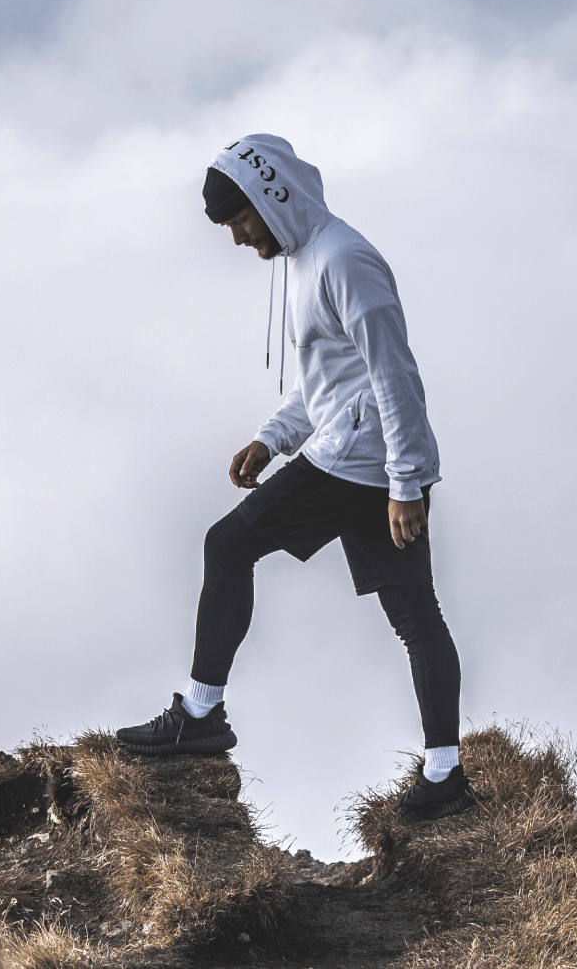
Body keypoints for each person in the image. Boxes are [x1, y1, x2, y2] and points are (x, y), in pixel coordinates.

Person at [116, 134, 473, 820]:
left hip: (361, 464)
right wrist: (271, 438)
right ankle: (444, 776)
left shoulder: (345, 262)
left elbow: (393, 375)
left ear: (269, 199)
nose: (237, 238)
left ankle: (201, 713)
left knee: (227, 545)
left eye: (239, 220)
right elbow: (328, 382)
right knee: (415, 617)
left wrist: (403, 482)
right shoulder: (308, 261)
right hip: (365, 457)